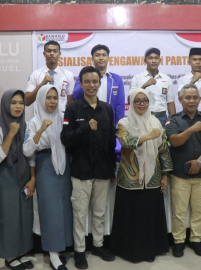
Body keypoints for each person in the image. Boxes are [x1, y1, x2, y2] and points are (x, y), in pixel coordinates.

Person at [61, 66, 117, 269]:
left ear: (99, 83)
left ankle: (99, 246)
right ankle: (79, 251)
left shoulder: (107, 109)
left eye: (95, 81)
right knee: (80, 214)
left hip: (103, 170)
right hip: (81, 171)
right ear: (81, 84)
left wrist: (112, 167)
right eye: (87, 82)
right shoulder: (73, 109)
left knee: (100, 212)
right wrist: (85, 127)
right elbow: (65, 138)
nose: (91, 85)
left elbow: (111, 141)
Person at [109, 89, 173, 263]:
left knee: (149, 216)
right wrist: (148, 136)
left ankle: (150, 250)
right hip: (130, 181)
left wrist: (165, 175)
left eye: (145, 100)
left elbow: (163, 150)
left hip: (152, 178)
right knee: (131, 217)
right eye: (137, 101)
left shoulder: (156, 122)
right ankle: (129, 251)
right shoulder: (124, 121)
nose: (142, 104)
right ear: (131, 103)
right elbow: (125, 141)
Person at [23, 85, 72, 270]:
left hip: (64, 166)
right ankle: (53, 254)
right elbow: (27, 151)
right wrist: (41, 130)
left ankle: (61, 248)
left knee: (64, 209)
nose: (52, 101)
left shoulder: (62, 118)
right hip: (46, 166)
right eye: (48, 98)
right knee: (50, 210)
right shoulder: (34, 122)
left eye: (55, 98)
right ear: (41, 99)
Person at [166, 84, 201, 258]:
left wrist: (200, 162)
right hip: (180, 175)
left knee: (199, 210)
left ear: (199, 99)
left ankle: (196, 240)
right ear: (180, 100)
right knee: (179, 212)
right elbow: (174, 141)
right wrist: (191, 129)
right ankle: (179, 242)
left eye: (195, 97)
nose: (192, 101)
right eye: (187, 97)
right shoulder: (173, 119)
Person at [0, 89, 34, 270]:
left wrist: (33, 178)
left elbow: (30, 154)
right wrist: (10, 134)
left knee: (24, 215)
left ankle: (21, 252)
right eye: (14, 102)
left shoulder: (27, 126)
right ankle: (9, 256)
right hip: (6, 176)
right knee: (8, 217)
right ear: (6, 104)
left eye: (21, 102)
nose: (18, 106)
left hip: (24, 175)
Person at [72, 44, 125, 126]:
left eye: (104, 55)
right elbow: (76, 96)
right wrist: (88, 78)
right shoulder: (83, 76)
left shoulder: (117, 79)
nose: (101, 58)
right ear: (92, 59)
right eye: (97, 55)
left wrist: (119, 125)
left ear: (108, 58)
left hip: (108, 122)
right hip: (87, 122)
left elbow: (119, 105)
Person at [25, 40, 75, 114]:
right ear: (44, 54)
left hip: (61, 117)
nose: (52, 53)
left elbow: (71, 102)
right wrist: (42, 84)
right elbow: (27, 101)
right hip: (41, 118)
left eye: (55, 51)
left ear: (59, 54)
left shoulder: (68, 75)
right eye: (48, 51)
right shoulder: (35, 74)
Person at [130, 47, 176, 126]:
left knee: (162, 138)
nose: (154, 61)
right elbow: (130, 99)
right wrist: (144, 86)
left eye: (156, 58)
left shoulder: (166, 79)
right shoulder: (137, 78)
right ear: (145, 61)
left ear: (160, 61)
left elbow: (170, 102)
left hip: (162, 118)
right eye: (150, 58)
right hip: (143, 117)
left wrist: (174, 122)